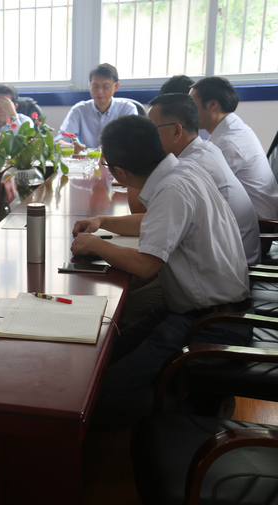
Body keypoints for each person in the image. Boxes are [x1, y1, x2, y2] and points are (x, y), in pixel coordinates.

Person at [71, 115, 252, 420]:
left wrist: (94, 245)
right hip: (192, 309)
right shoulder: (182, 170)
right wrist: (102, 222)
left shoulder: (171, 190)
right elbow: (156, 222)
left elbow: (145, 266)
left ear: (119, 172)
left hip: (212, 324)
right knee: (107, 351)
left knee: (107, 390)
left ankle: (201, 411)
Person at [128, 93, 260, 264]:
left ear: (177, 131)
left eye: (152, 129)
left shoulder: (190, 166)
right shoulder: (204, 149)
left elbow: (142, 212)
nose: (146, 137)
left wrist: (135, 159)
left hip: (229, 262)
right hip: (223, 254)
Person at [190, 76, 278, 220]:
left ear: (212, 104)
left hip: (261, 225)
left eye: (193, 104)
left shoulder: (229, 143)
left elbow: (197, 186)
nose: (189, 111)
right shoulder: (232, 129)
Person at [57, 63, 139, 152]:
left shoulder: (127, 109)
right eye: (95, 86)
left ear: (116, 87)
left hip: (115, 159)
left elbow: (132, 142)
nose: (99, 92)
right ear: (89, 86)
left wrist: (109, 148)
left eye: (105, 87)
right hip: (84, 160)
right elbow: (60, 141)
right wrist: (71, 146)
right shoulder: (79, 110)